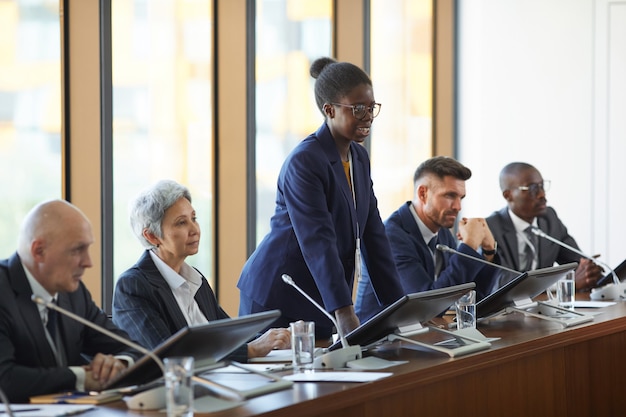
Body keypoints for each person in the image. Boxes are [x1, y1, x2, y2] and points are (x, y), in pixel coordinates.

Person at [237, 57, 404, 340]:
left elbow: (374, 236)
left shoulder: (359, 158)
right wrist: (344, 311)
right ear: (329, 110)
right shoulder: (305, 161)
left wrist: (399, 309)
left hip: (321, 296)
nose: (368, 117)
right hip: (279, 296)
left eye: (372, 107)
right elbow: (318, 240)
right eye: (358, 108)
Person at [112, 180, 291, 361]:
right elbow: (168, 355)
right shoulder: (133, 285)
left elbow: (230, 335)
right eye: (181, 223)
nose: (195, 229)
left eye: (194, 219)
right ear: (151, 235)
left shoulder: (195, 279)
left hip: (218, 380)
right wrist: (251, 350)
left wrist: (275, 340)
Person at [0, 200, 140, 403]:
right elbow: (5, 381)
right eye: (77, 250)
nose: (88, 262)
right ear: (39, 251)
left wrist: (118, 364)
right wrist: (81, 377)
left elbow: (136, 350)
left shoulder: (74, 294)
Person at [355, 156, 501, 321]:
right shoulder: (392, 236)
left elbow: (473, 296)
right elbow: (426, 304)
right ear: (423, 193)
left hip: (418, 329)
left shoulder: (443, 231)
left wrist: (488, 250)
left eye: (461, 198)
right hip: (378, 339)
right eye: (450, 196)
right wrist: (469, 245)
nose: (458, 207)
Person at [486, 162, 603, 291]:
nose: (542, 194)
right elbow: (502, 283)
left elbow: (576, 263)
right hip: (508, 309)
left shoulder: (549, 218)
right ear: (508, 195)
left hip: (545, 307)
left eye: (541, 186)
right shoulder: (491, 228)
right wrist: (566, 285)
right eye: (532, 188)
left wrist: (589, 271)